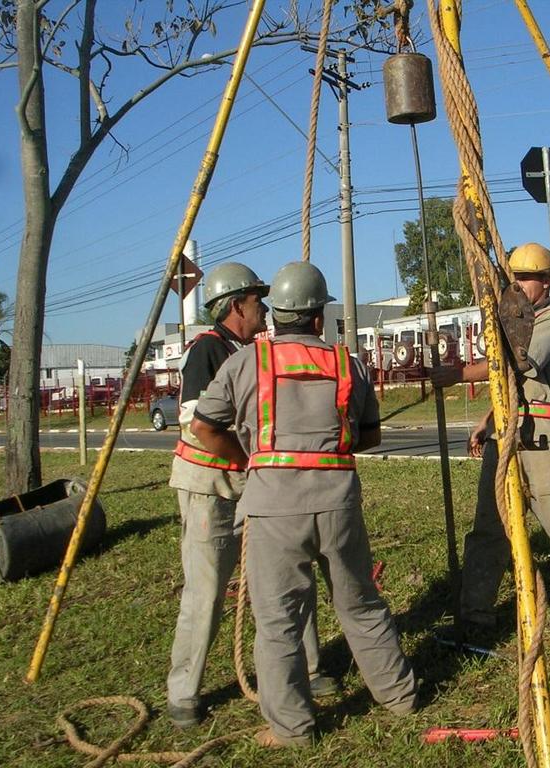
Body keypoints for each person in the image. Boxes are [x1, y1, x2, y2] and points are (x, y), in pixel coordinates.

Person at [191, 261, 419, 748]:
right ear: (320, 317)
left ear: (276, 313)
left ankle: (293, 729)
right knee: (360, 604)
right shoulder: (347, 363)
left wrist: (252, 457)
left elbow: (205, 428)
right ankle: (399, 697)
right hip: (337, 501)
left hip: (273, 507)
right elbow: (371, 436)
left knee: (278, 622)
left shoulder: (246, 362)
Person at [165, 262, 335, 729]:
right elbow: (199, 426)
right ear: (236, 305)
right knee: (207, 589)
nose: (265, 307)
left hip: (254, 484)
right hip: (212, 487)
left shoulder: (252, 351)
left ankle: (309, 668)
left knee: (287, 578)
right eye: (257, 300)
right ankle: (184, 692)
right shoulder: (207, 352)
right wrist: (249, 456)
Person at [429, 243, 550, 630]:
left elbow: (518, 363)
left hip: (541, 436)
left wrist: (458, 375)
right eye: (514, 277)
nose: (517, 285)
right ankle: (475, 611)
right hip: (507, 430)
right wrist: (487, 419)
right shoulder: (518, 322)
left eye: (526, 278)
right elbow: (509, 383)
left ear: (546, 282)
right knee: (491, 524)